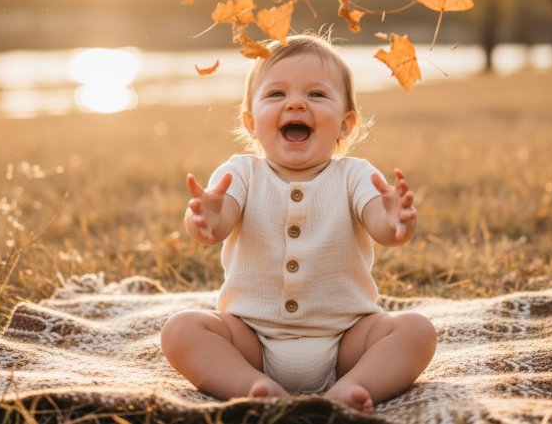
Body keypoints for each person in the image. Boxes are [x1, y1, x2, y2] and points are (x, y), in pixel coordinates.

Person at [160, 34, 437, 413]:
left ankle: (354, 386)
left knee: (416, 330)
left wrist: (395, 220)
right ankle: (253, 385)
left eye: (316, 95)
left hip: (347, 341)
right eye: (276, 94)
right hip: (251, 339)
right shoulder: (241, 172)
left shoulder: (355, 176)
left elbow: (383, 227)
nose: (295, 103)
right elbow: (218, 219)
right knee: (181, 329)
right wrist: (203, 218)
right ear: (250, 121)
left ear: (346, 124)